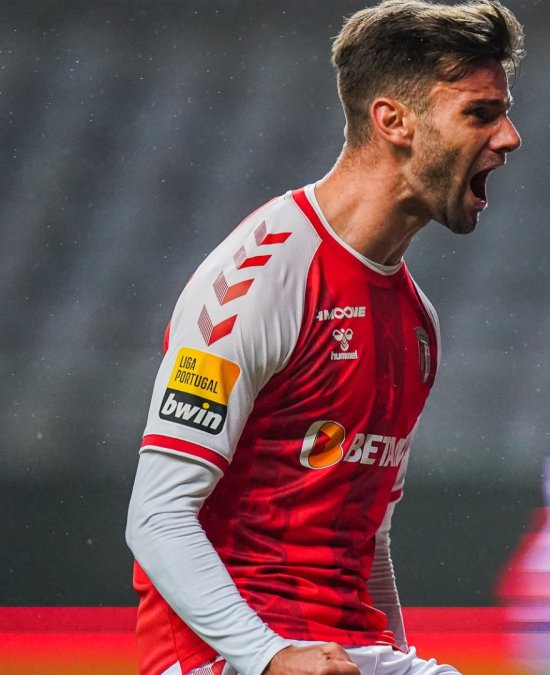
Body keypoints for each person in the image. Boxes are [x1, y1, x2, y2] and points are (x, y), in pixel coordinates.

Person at [124, 1, 524, 673]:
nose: (509, 136)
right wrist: (270, 655)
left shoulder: (416, 323)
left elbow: (366, 545)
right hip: (225, 658)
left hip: (347, 656)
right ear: (393, 121)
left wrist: (397, 656)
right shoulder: (256, 280)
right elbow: (156, 517)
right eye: (480, 113)